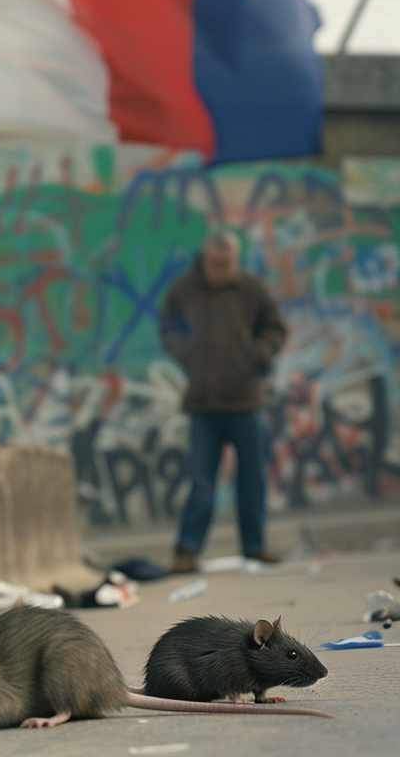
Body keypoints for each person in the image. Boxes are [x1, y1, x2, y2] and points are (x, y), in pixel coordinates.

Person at [159, 229, 287, 574]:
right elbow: (167, 327)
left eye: (229, 263)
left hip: (247, 401)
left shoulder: (253, 290)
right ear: (205, 259)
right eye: (217, 263)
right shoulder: (184, 290)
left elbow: (276, 329)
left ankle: (254, 547)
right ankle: (186, 550)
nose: (223, 269)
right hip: (203, 404)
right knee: (200, 481)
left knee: (252, 478)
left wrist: (258, 353)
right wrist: (186, 354)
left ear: (236, 259)